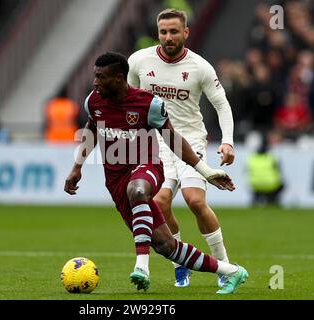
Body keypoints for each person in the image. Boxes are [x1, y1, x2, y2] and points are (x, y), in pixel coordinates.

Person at [64, 51, 248, 294]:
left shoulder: (148, 104)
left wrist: (205, 171)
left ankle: (142, 267)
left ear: (119, 78)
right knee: (165, 245)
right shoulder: (94, 101)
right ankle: (232, 272)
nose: (95, 82)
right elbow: (91, 128)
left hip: (147, 164)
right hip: (116, 181)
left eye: (101, 77)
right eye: (95, 76)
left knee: (137, 189)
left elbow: (173, 139)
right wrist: (77, 166)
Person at [128, 9, 235, 288]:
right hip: (157, 144)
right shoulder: (139, 61)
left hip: (190, 142)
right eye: (163, 32)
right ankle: (181, 266)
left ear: (185, 33)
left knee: (195, 201)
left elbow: (222, 105)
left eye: (174, 31)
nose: (168, 37)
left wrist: (227, 141)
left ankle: (225, 266)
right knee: (160, 204)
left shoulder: (200, 67)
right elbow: (127, 101)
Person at [246, 134, 284, 206]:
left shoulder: (251, 159)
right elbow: (279, 171)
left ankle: (256, 200)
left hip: (255, 185)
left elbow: (247, 171)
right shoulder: (271, 158)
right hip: (271, 185)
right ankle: (273, 200)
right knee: (282, 185)